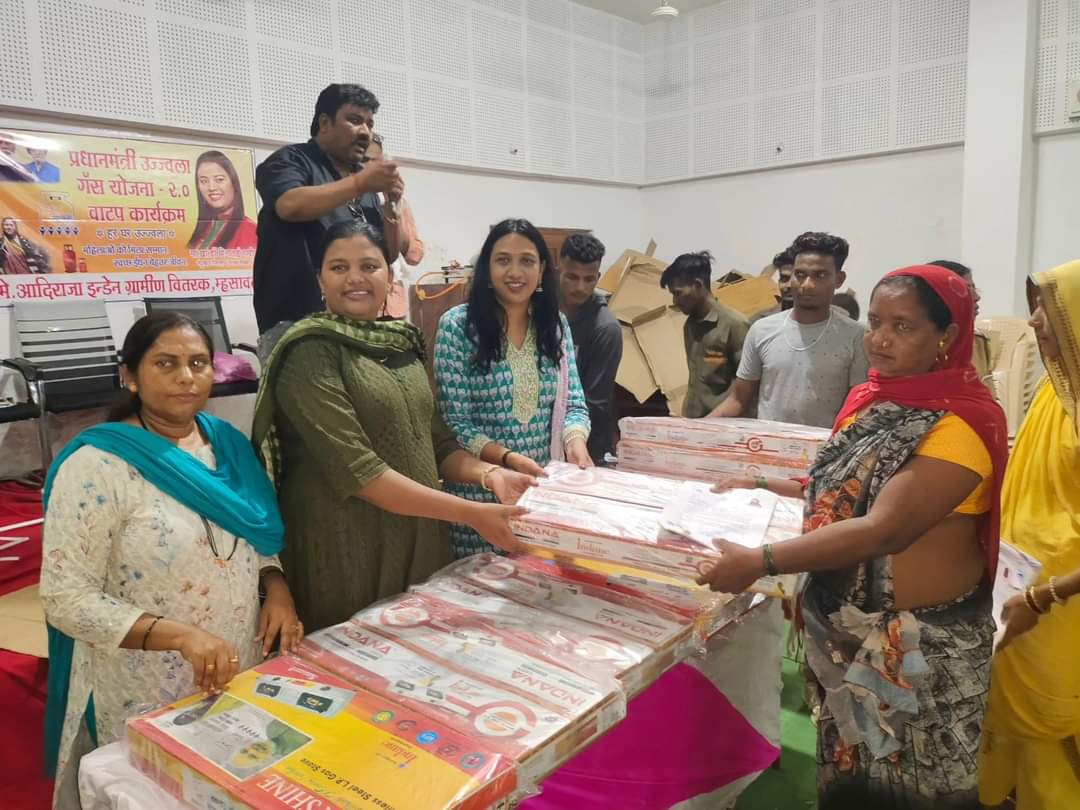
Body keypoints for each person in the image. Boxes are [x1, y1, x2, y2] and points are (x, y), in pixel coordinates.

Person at [698, 265, 1008, 809]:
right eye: (876, 322)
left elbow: (884, 527)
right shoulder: (873, 399)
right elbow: (843, 487)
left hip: (917, 653)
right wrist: (763, 483)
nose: (880, 339)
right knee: (851, 786)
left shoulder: (959, 425)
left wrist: (760, 561)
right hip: (846, 634)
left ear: (947, 335)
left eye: (903, 326)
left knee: (914, 791)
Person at [40, 312, 301, 807]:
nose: (186, 377)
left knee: (227, 785)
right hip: (143, 680)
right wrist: (180, 636)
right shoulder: (96, 466)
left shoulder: (227, 445)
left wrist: (276, 586)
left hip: (232, 661)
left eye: (198, 363)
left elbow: (258, 533)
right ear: (130, 376)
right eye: (165, 363)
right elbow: (65, 599)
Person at [252, 221, 534, 629]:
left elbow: (438, 443)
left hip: (418, 535)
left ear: (389, 276)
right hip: (345, 547)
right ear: (320, 280)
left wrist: (491, 475)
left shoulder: (401, 345)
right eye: (339, 267)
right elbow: (360, 472)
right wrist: (471, 513)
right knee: (353, 656)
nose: (355, 278)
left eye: (369, 266)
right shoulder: (308, 352)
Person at [978, 259, 1080, 810]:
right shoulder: (1057, 390)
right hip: (1019, 587)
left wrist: (1044, 596)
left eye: (1052, 309)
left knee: (1054, 730)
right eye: (1036, 306)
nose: (1036, 320)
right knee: (1011, 721)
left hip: (1061, 606)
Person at [434, 218, 591, 557]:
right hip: (480, 497)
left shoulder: (555, 325)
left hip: (542, 493)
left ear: (542, 269)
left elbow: (574, 403)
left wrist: (575, 443)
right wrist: (506, 459)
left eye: (527, 261)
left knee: (540, 582)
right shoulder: (458, 327)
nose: (515, 272)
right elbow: (454, 423)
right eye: (503, 260)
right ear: (487, 267)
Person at [253, 83, 404, 356]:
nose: (365, 132)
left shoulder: (363, 181)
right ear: (325, 123)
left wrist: (392, 204)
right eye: (355, 120)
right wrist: (360, 183)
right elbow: (289, 206)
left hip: (354, 324)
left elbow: (387, 255)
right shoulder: (291, 160)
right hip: (295, 325)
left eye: (370, 124)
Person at [712, 232, 867, 428]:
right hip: (766, 445)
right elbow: (738, 401)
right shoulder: (762, 330)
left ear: (839, 279)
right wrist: (692, 430)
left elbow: (856, 412)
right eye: (800, 275)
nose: (807, 285)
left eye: (820, 275)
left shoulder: (856, 337)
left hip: (827, 447)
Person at [660, 251, 749, 419]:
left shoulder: (734, 325)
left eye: (678, 293)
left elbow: (747, 388)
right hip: (694, 422)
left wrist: (713, 421)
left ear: (697, 285)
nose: (674, 302)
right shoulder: (690, 325)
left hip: (723, 425)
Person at [558, 233, 622, 464]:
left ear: (598, 277)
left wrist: (574, 442)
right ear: (558, 270)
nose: (580, 287)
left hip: (584, 441)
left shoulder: (605, 328)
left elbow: (595, 402)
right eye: (572, 277)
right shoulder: (540, 310)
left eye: (589, 279)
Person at [928, 260, 993, 389]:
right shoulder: (917, 345)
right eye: (966, 289)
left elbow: (987, 391)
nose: (976, 297)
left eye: (974, 289)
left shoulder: (977, 342)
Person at [365, 134, 424, 266]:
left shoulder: (396, 200)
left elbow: (414, 256)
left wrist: (392, 204)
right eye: (365, 160)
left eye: (377, 162)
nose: (372, 167)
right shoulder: (346, 196)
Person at [187, 150, 257, 250]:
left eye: (219, 179)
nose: (211, 187)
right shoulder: (204, 227)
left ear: (233, 182)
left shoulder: (249, 230)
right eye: (204, 181)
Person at [751, 247, 797, 322]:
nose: (789, 285)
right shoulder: (761, 321)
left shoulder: (818, 321)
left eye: (798, 278)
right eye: (784, 278)